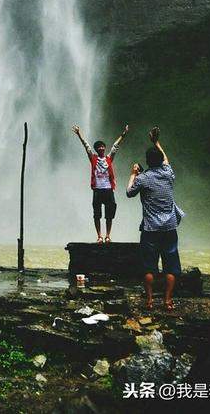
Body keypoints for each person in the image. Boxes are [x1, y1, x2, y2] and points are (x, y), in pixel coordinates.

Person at [126, 126, 184, 312]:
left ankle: (150, 301)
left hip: (151, 229)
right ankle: (167, 301)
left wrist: (133, 174)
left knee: (149, 267)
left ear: (147, 162)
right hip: (169, 226)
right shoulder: (168, 174)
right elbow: (166, 160)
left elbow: (129, 192)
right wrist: (156, 142)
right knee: (171, 266)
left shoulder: (143, 178)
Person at [72, 122, 129, 242]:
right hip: (97, 190)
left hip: (108, 189)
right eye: (99, 147)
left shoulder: (109, 159)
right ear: (97, 150)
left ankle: (108, 236)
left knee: (109, 215)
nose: (101, 148)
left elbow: (115, 146)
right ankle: (99, 236)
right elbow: (86, 146)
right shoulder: (93, 159)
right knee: (97, 214)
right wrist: (79, 134)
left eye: (103, 146)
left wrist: (123, 135)